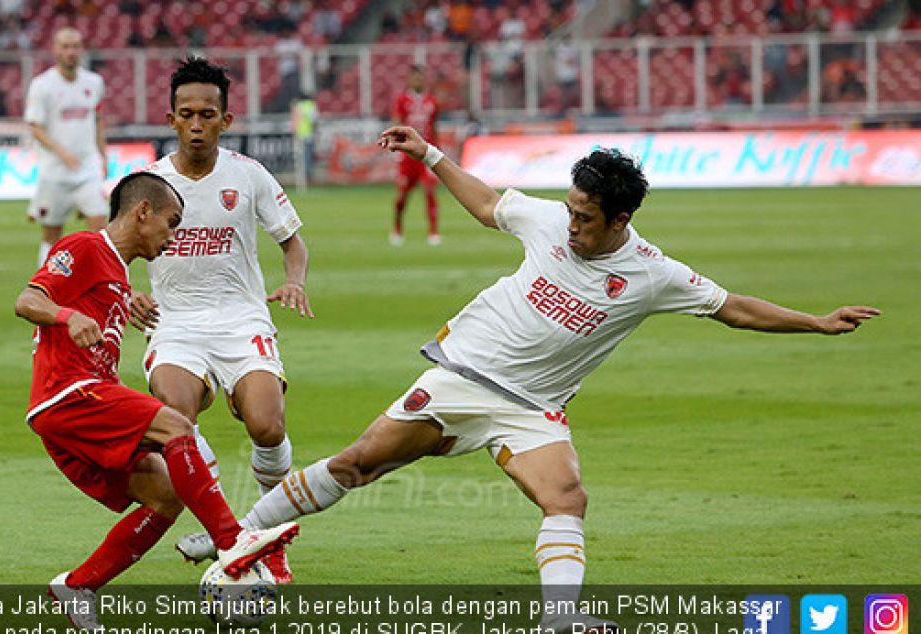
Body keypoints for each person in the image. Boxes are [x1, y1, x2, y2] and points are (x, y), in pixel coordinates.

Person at [176, 126, 881, 632]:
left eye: (585, 218)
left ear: (621, 220)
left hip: (533, 408)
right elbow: (488, 205)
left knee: (566, 495)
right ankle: (232, 537)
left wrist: (815, 323)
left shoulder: (653, 273)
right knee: (359, 463)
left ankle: (560, 620)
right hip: (463, 374)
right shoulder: (548, 219)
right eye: (571, 211)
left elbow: (733, 308)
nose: (571, 224)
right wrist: (432, 155)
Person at [15, 171, 299, 632]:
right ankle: (231, 540)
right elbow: (28, 300)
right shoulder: (85, 246)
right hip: (68, 393)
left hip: (75, 408)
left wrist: (124, 301)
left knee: (165, 495)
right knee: (176, 425)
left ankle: (78, 585)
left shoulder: (117, 274)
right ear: (142, 211)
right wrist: (66, 316)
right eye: (171, 222)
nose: (173, 236)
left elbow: (98, 300)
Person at [127, 57, 313, 585]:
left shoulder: (248, 174)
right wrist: (128, 294)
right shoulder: (147, 184)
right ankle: (239, 537)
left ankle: (268, 528)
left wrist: (294, 280)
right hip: (176, 323)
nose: (197, 124)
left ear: (225, 121)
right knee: (174, 421)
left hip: (241, 318)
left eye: (208, 114)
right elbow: (113, 251)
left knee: (266, 424)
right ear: (171, 119)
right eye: (186, 114)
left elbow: (291, 241)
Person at [24, 27, 108, 266]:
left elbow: (98, 120)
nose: (70, 52)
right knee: (51, 234)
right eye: (65, 46)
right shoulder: (42, 85)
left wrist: (103, 155)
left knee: (100, 229)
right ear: (55, 50)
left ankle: (98, 285)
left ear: (81, 50)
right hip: (55, 172)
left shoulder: (94, 82)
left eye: (75, 47)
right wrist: (62, 152)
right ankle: (44, 289)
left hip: (87, 169)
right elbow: (35, 127)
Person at [390, 65, 440, 246]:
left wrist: (437, 149)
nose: (418, 81)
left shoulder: (431, 101)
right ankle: (397, 227)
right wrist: (396, 147)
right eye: (415, 78)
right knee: (402, 194)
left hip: (426, 155)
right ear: (409, 80)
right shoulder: (402, 100)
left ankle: (433, 231)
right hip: (407, 156)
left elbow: (434, 128)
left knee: (429, 190)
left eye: (421, 77)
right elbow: (397, 123)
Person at [291, 91, 317, 189]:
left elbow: (294, 121)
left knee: (300, 159)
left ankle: (302, 181)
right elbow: (314, 120)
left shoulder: (297, 106)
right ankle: (307, 180)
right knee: (307, 158)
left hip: (298, 135)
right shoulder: (310, 106)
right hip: (308, 135)